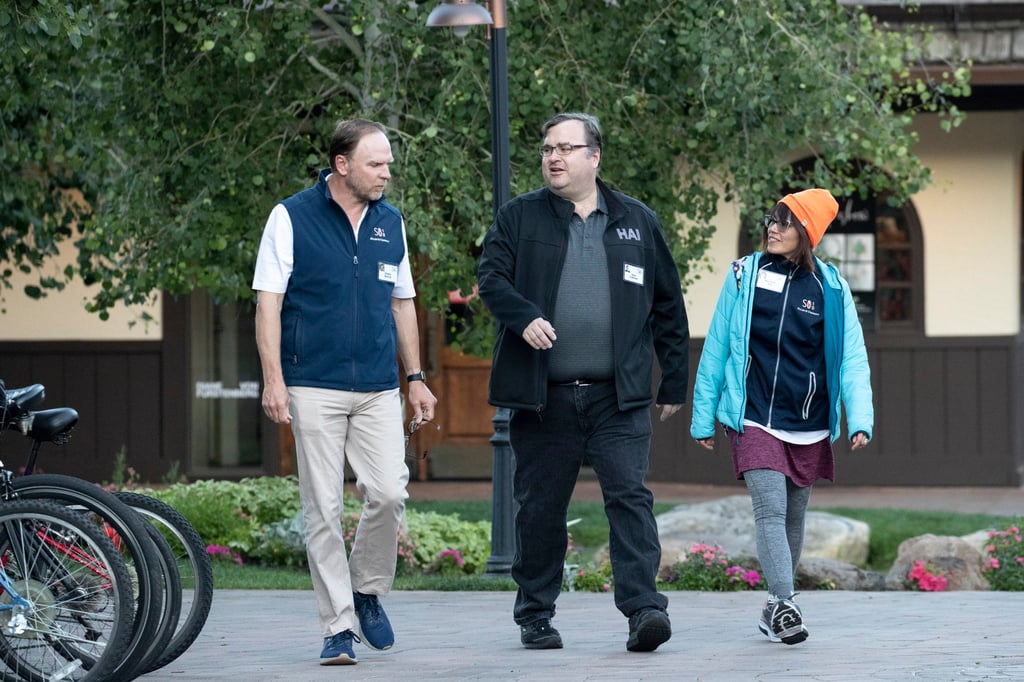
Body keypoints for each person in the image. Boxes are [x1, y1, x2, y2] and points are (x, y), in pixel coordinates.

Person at [477, 112, 690, 653]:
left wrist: (673, 383)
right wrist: (523, 316)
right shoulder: (519, 217)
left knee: (630, 501)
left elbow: (668, 302)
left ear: (594, 156)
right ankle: (536, 615)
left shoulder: (636, 222)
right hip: (543, 398)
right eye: (548, 148)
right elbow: (491, 278)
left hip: (617, 398)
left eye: (566, 148)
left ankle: (645, 611)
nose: (554, 157)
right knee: (541, 509)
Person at [253, 118, 437, 666]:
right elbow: (268, 303)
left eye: (388, 164)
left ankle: (368, 590)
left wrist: (417, 378)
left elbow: (402, 303)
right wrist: (274, 379)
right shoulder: (290, 217)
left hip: (380, 386)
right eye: (376, 164)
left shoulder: (390, 222)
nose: (386, 173)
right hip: (312, 384)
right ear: (342, 165)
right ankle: (338, 626)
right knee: (323, 509)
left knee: (388, 494)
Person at [690, 188, 873, 645]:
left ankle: (775, 608)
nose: (773, 227)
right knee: (769, 510)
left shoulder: (831, 288)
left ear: (806, 232)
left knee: (794, 516)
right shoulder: (744, 275)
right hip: (753, 416)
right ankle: (787, 601)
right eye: (771, 218)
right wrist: (702, 415)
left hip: (808, 420)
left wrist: (860, 417)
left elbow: (852, 356)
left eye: (785, 221)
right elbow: (717, 347)